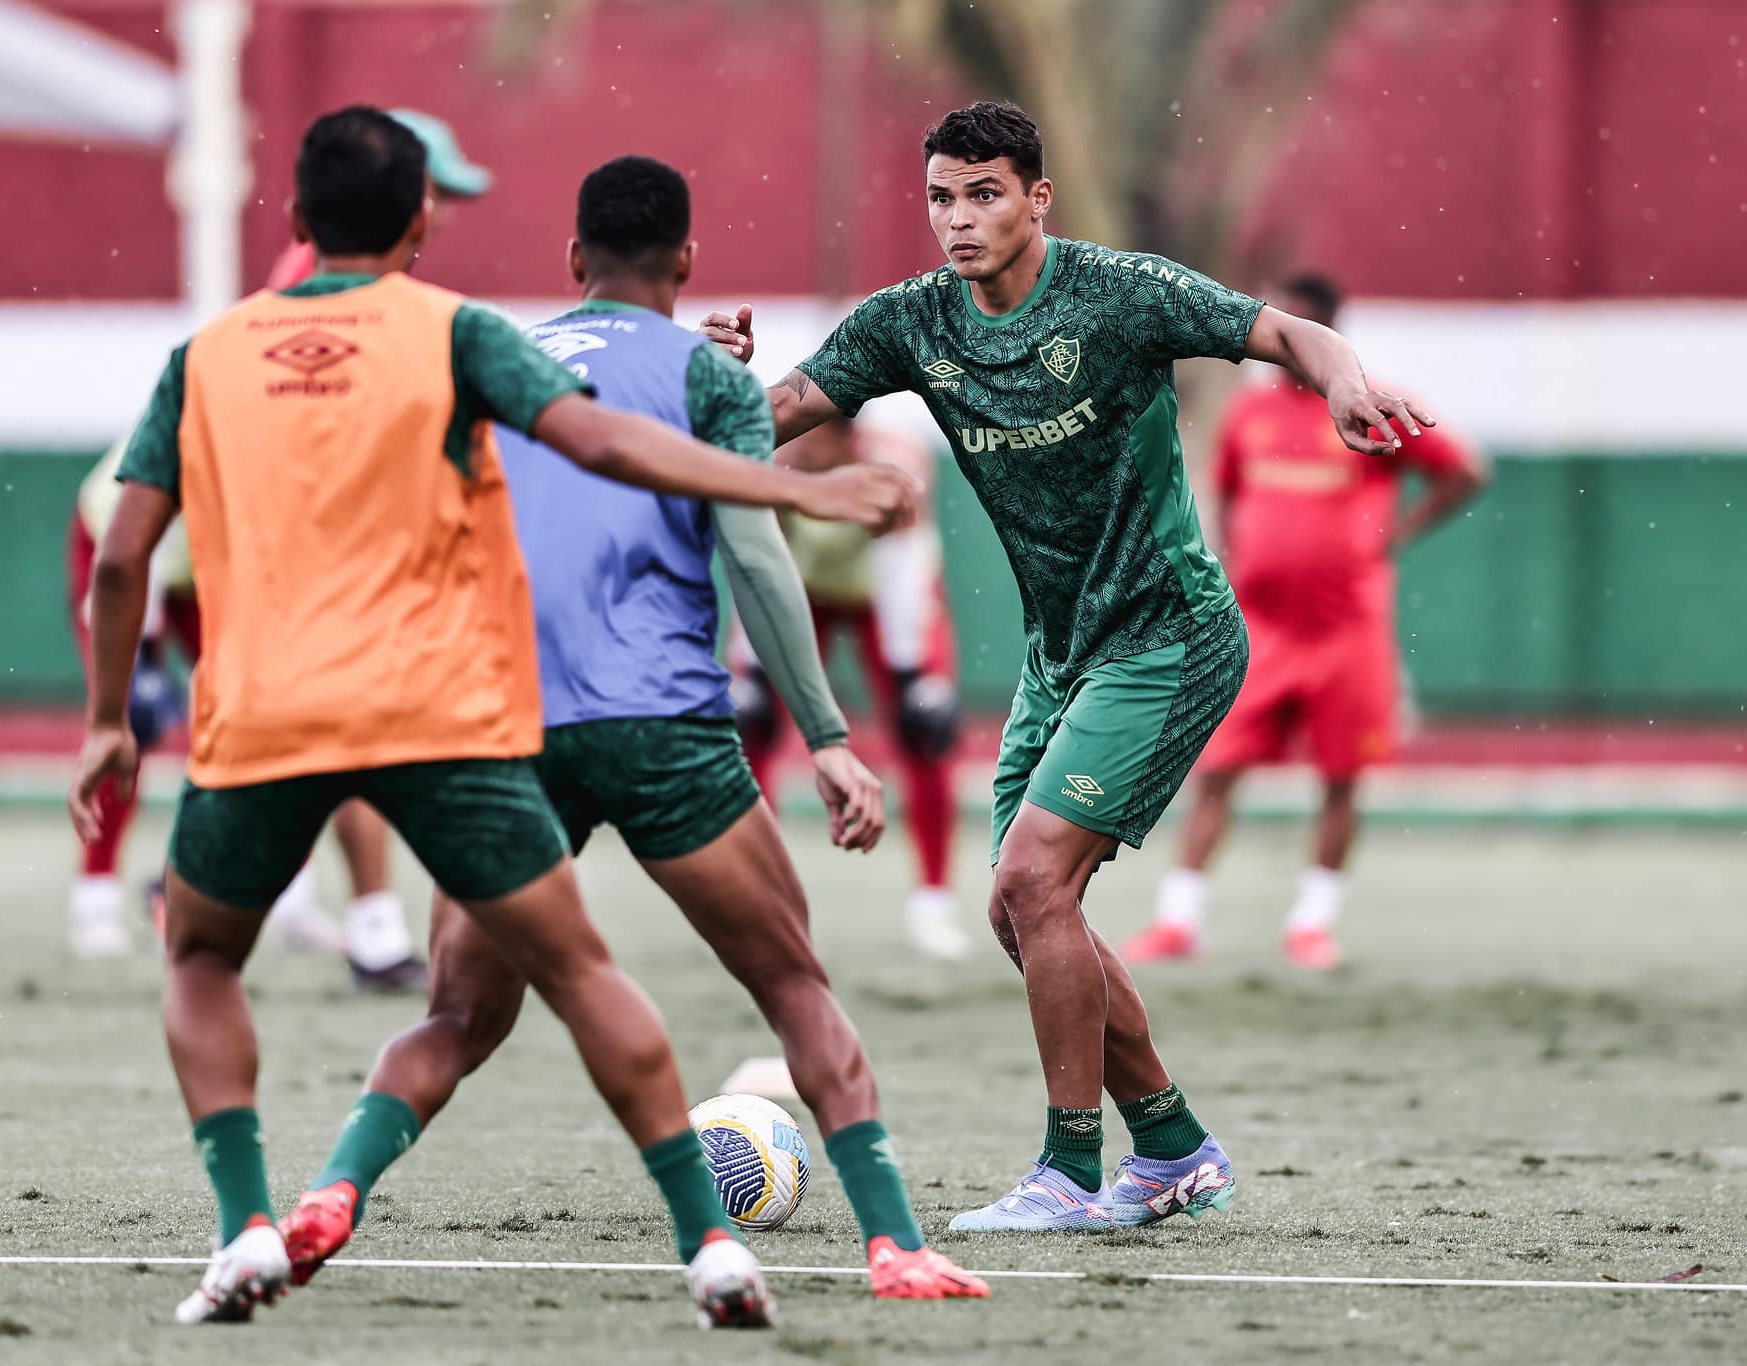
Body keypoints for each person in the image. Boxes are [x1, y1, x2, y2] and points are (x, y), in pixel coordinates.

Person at [69, 108, 915, 1326]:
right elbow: (628, 456)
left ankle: (282, 1208)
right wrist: (789, 503)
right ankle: (793, 1246)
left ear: (295, 220)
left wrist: (110, 717)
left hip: (370, 718)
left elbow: (121, 557)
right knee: (688, 977)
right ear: (419, 222)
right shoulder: (461, 338)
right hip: (553, 723)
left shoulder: (243, 355)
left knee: (303, 981)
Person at [700, 101, 1436, 1233]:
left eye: (983, 194)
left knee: (1035, 880)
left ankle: (1069, 1172)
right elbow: (770, 419)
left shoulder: (1119, 294)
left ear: (1036, 198)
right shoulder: (910, 322)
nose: (958, 218)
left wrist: (1340, 380)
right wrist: (715, 388)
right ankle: (1173, 1148)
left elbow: (1292, 334)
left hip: (1171, 634)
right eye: (941, 197)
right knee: (1021, 909)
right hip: (1063, 657)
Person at [273, 155, 987, 1302]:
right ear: (687, 261)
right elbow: (756, 558)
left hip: (506, 731)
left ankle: (331, 1190)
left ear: (572, 259)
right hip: (662, 727)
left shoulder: (493, 361)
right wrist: (826, 736)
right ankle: (894, 1246)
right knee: (792, 986)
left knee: (455, 1015)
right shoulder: (706, 377)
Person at [1128, 274, 1486, 971]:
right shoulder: (1248, 413)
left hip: (1346, 631)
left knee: (1342, 777)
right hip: (1259, 630)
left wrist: (1401, 532)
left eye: (1300, 327)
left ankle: (1312, 925)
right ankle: (1178, 921)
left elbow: (1464, 470)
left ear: (1328, 330)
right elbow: (1226, 496)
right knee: (1216, 771)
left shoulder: (1374, 403)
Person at [257, 107, 498, 989]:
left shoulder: (358, 283)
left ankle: (297, 899)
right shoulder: (331, 286)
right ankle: (367, 923)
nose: (442, 215)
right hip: (318, 540)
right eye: (435, 192)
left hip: (315, 538)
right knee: (352, 729)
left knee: (334, 731)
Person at [732, 416, 971, 960]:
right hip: (800, 585)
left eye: (818, 434)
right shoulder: (772, 457)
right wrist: (752, 669)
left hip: (880, 592)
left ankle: (934, 902)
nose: (805, 445)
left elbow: (905, 564)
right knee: (750, 723)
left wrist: (912, 674)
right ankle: (754, 901)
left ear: (848, 434)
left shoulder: (893, 465)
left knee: (925, 727)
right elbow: (754, 560)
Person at [62, 436, 197, 959]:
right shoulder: (189, 431)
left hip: (197, 559)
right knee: (128, 720)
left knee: (261, 713)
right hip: (127, 544)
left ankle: (286, 896)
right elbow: (127, 556)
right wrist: (142, 655)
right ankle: (96, 897)